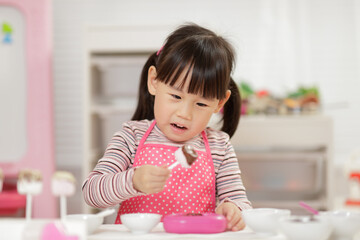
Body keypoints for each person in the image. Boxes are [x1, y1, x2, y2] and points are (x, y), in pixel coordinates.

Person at [82, 23, 252, 231]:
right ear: (154, 81)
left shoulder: (220, 147)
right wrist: (133, 181)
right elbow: (91, 193)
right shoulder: (131, 136)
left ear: (219, 103)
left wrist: (232, 209)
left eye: (200, 104)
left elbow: (240, 202)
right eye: (176, 96)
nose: (184, 113)